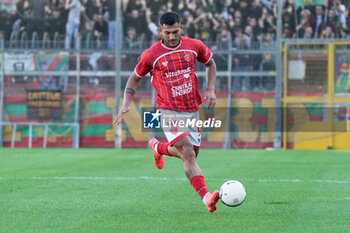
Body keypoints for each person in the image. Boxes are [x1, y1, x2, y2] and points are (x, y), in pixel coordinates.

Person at [114, 12, 220, 213]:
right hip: (167, 110)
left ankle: (158, 148)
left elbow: (210, 64)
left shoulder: (194, 45)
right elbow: (134, 79)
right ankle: (206, 197)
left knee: (191, 154)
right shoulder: (150, 55)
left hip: (191, 109)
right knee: (187, 151)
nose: (171, 37)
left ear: (181, 28)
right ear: (160, 31)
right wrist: (126, 103)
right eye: (167, 33)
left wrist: (210, 89)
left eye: (175, 32)